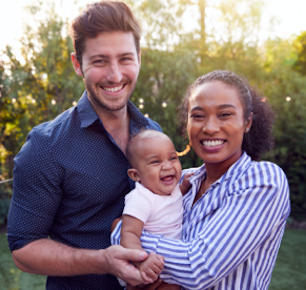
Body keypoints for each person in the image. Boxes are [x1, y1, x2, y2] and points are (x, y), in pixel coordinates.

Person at [7, 1, 164, 289]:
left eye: (125, 59)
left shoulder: (153, 133)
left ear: (139, 58)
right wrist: (102, 260)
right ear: (78, 64)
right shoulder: (44, 147)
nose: (115, 75)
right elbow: (23, 249)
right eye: (100, 61)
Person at [111, 70, 291, 290]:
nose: (210, 127)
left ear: (247, 122)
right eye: (198, 116)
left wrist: (122, 231)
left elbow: (198, 268)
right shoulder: (183, 182)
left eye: (224, 114)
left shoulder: (262, 180)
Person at [118, 130, 193, 289]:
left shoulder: (171, 190)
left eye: (172, 158)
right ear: (136, 175)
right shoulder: (141, 199)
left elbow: (174, 197)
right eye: (155, 162)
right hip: (150, 266)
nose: (167, 165)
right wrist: (141, 260)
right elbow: (129, 233)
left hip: (171, 264)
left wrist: (184, 187)